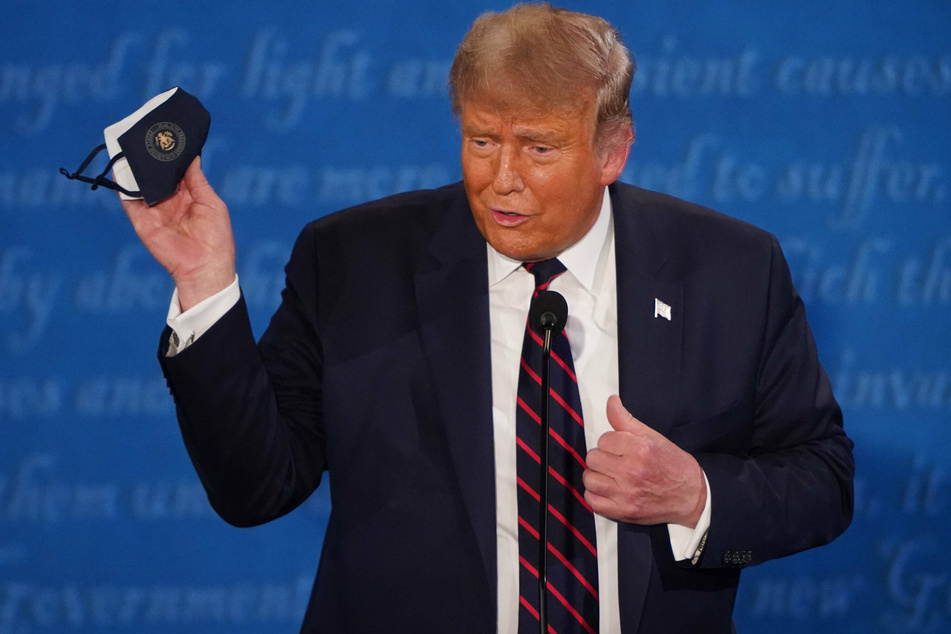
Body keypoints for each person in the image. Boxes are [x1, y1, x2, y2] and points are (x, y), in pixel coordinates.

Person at [120, 4, 854, 633]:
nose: (502, 180)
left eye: (538, 147)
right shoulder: (353, 263)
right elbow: (256, 488)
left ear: (612, 151)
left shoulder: (729, 269)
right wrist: (203, 282)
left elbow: (821, 478)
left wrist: (696, 495)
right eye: (481, 141)